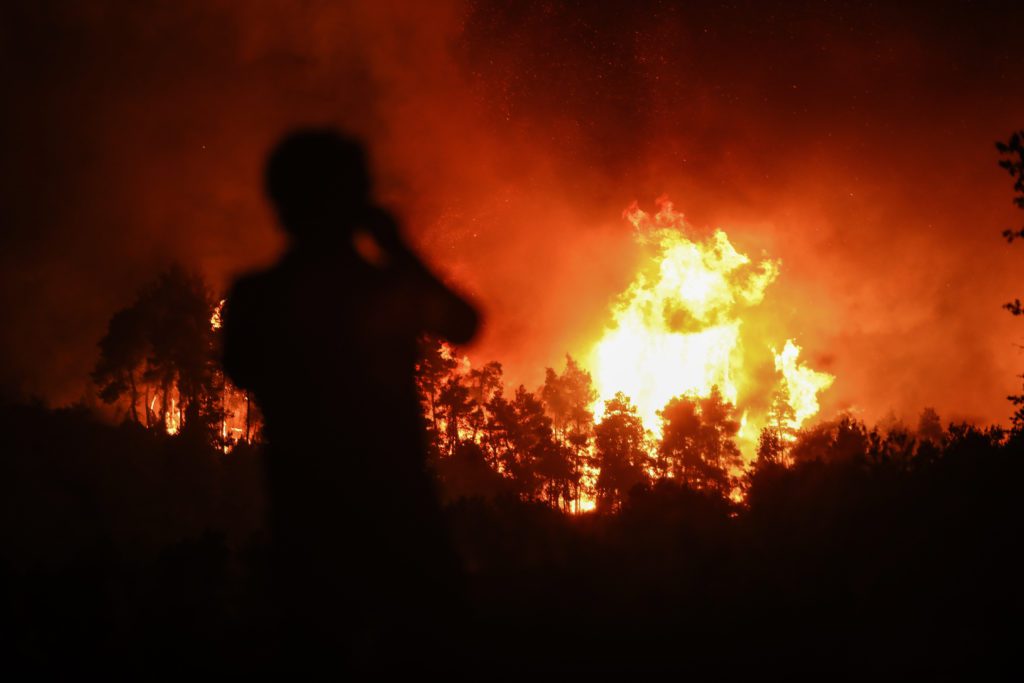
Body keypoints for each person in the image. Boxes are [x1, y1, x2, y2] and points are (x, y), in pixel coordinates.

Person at [220, 128, 479, 671]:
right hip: (401, 526)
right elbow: (464, 324)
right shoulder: (382, 289)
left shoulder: (256, 297)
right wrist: (398, 249)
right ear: (358, 202)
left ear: (280, 205)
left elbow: (241, 367)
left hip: (308, 531)